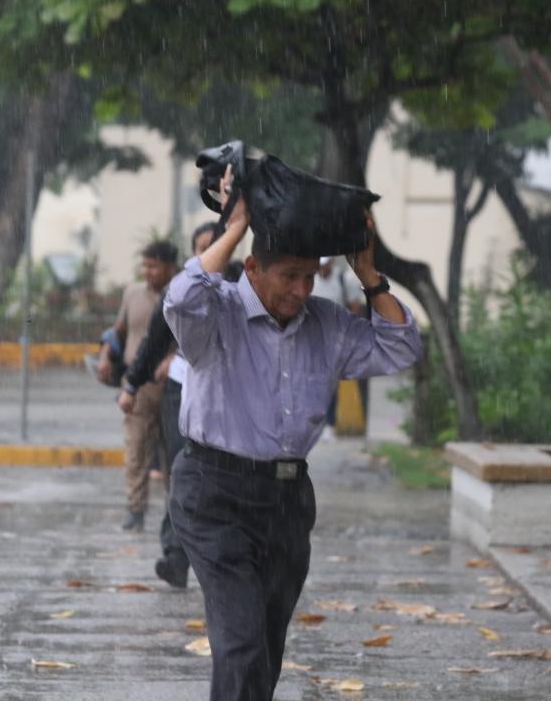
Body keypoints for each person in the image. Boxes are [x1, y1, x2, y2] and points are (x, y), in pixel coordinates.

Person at [163, 166, 422, 700]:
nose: (301, 290)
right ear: (253, 267)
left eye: (311, 277)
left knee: (265, 645)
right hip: (213, 494)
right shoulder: (218, 315)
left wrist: (370, 275)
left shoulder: (327, 324)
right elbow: (182, 298)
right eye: (289, 277)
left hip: (286, 501)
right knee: (240, 641)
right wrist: (233, 229)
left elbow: (400, 346)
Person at [119, 222, 217, 587]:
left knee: (212, 481)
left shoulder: (242, 286)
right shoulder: (180, 290)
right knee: (180, 471)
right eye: (202, 248)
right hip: (175, 390)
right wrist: (131, 381)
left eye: (216, 246)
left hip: (223, 398)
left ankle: (213, 561)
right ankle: (174, 554)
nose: (208, 255)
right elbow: (150, 339)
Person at [110, 240, 178, 532]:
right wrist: (105, 357)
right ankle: (135, 510)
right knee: (136, 450)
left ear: (170, 267)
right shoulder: (132, 294)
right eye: (145, 265)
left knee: (173, 455)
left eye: (154, 266)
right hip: (137, 386)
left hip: (173, 388)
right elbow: (119, 330)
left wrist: (173, 358)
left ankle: (176, 515)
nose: (148, 271)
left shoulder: (180, 295)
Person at [310, 256, 366, 438]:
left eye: (325, 265)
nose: (322, 269)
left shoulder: (344, 280)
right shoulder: (310, 278)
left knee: (329, 382)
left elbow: (355, 306)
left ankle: (330, 423)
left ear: (331, 264)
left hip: (335, 339)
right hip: (311, 338)